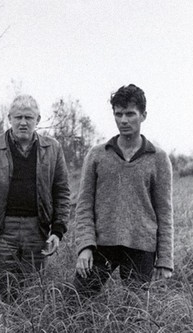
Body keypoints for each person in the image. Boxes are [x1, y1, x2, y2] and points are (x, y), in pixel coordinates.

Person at [0, 94, 71, 302]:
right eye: (18, 117)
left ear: (38, 120)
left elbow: (62, 192)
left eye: (29, 118)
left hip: (37, 230)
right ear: (9, 118)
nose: (23, 122)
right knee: (3, 292)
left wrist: (57, 231)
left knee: (34, 292)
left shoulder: (53, 148)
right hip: (1, 231)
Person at [73, 84, 173, 297]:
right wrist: (85, 246)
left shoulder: (158, 158)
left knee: (134, 315)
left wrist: (165, 259)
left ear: (143, 115)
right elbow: (83, 206)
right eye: (118, 114)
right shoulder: (97, 155)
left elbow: (164, 212)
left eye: (130, 114)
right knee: (75, 305)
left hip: (141, 248)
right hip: (101, 245)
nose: (124, 120)